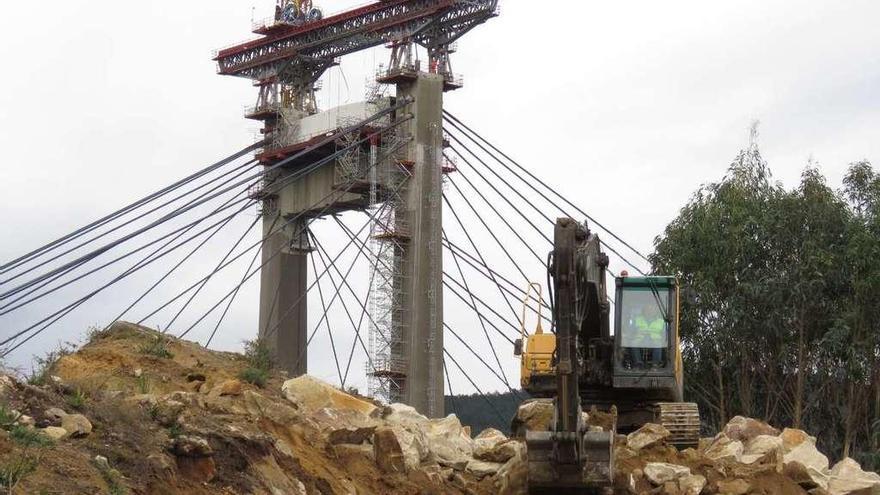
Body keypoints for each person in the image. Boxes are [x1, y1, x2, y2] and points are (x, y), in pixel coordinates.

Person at [628, 303, 666, 368]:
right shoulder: (637, 319)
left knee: (658, 345)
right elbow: (631, 331)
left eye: (652, 308)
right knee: (633, 344)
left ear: (656, 311)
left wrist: (663, 340)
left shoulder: (661, 322)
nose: (650, 310)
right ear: (644, 310)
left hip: (654, 340)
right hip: (640, 339)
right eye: (648, 308)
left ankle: (655, 365)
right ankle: (638, 364)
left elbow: (665, 334)